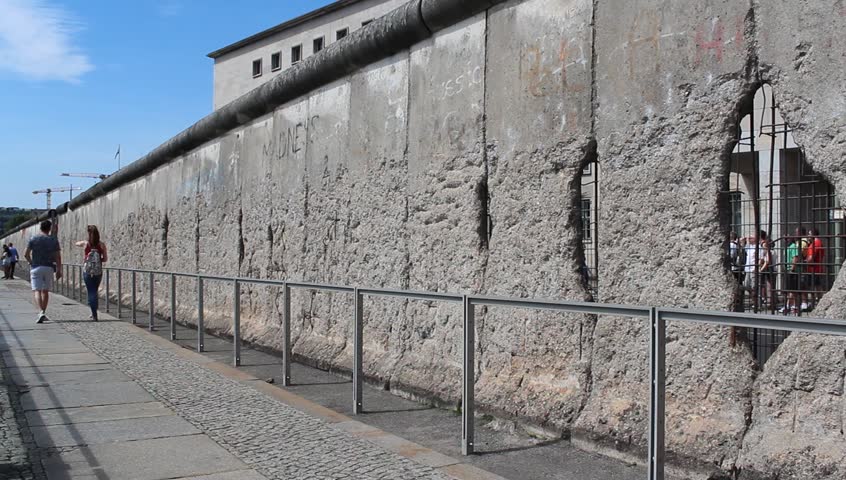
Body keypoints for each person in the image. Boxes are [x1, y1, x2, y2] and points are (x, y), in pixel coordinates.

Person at [24, 220, 62, 323]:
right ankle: (43, 312)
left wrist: (31, 262)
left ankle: (40, 312)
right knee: (45, 291)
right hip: (49, 267)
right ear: (49, 229)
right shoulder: (54, 240)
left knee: (37, 291)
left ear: (40, 228)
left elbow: (26, 254)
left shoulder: (33, 239)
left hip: (36, 267)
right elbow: (58, 257)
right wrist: (59, 269)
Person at [75, 225, 107, 321]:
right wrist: (98, 260)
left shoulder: (86, 244)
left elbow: (76, 243)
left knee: (91, 291)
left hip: (87, 271)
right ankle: (94, 311)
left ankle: (94, 314)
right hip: (98, 271)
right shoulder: (102, 245)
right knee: (95, 290)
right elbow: (105, 259)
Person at [781, 227, 808, 314]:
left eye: (787, 238)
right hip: (788, 270)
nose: (785, 240)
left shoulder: (793, 247)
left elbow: (795, 258)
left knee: (792, 290)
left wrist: (792, 269)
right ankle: (792, 306)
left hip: (792, 270)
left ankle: (789, 306)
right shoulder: (788, 247)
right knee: (791, 290)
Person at [804, 227, 826, 309]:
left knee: (812, 287)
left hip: (813, 269)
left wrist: (804, 262)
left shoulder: (815, 243)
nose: (808, 236)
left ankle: (814, 304)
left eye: (809, 234)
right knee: (817, 287)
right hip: (817, 268)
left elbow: (811, 258)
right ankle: (819, 303)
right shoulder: (818, 242)